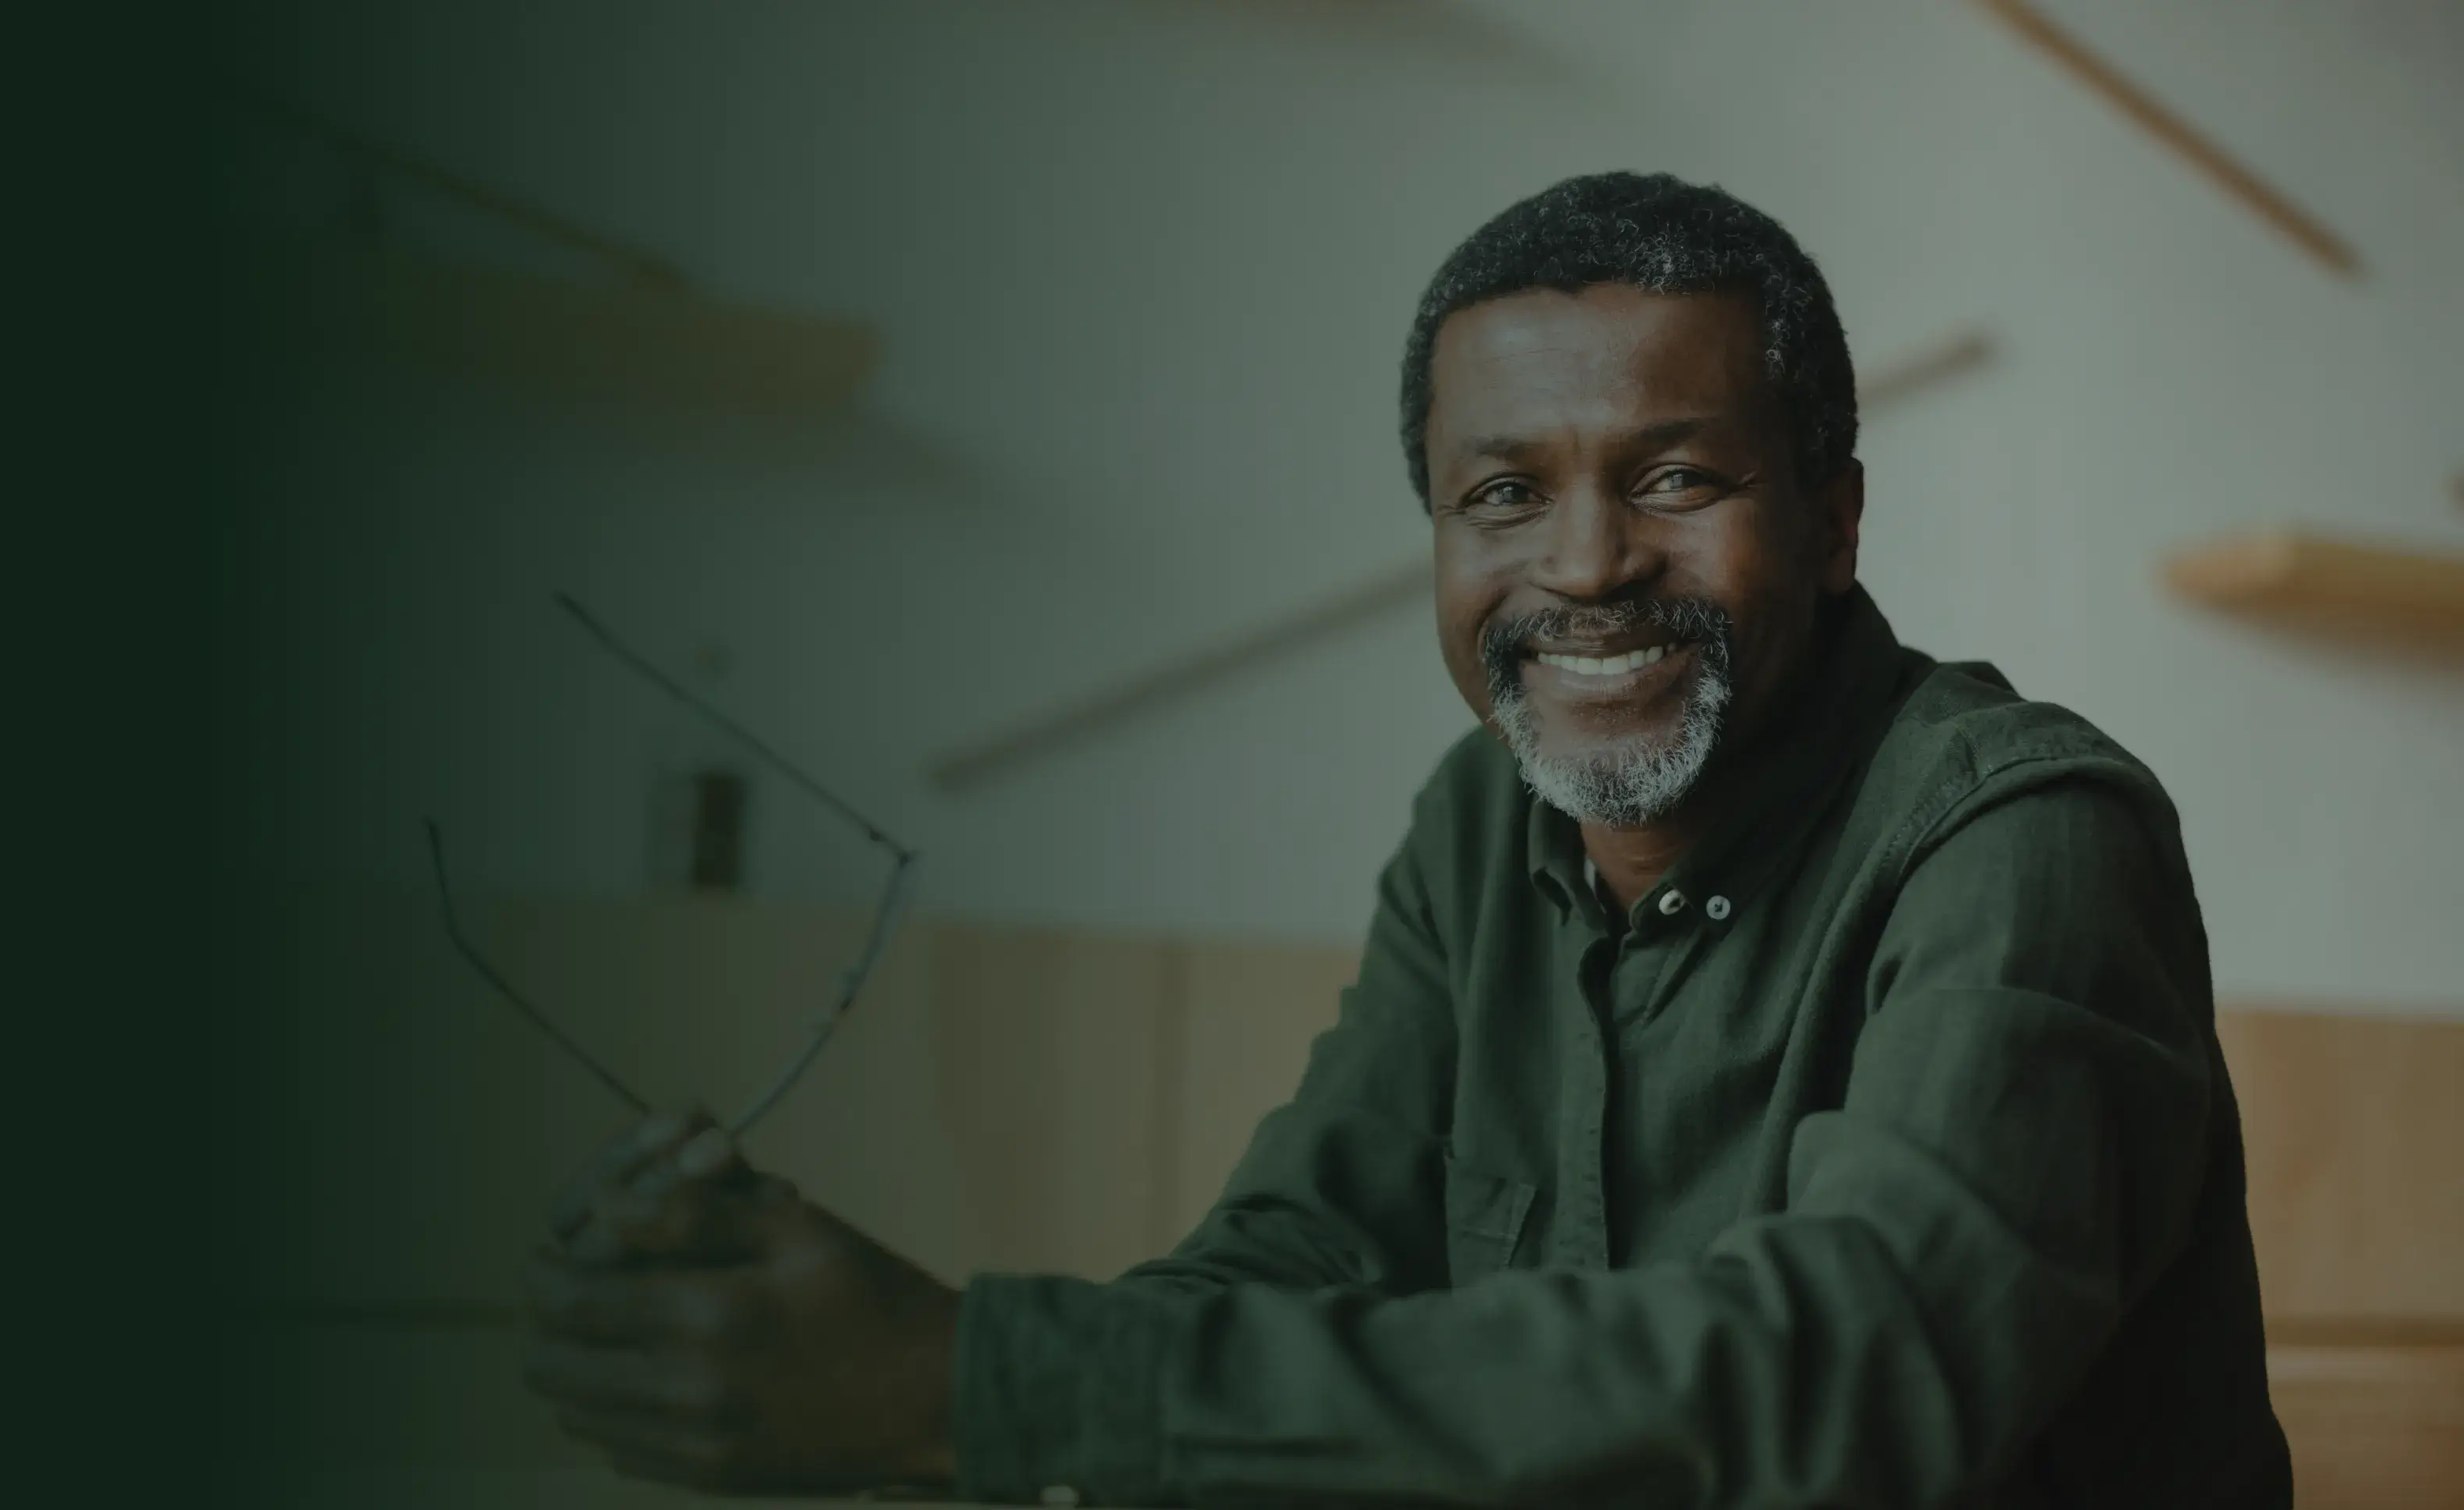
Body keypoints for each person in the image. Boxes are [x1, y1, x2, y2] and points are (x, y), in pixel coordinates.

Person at [518, 171, 2292, 1508]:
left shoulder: (2025, 835)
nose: (1585, 567)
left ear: (1832, 525)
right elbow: (1295, 1257)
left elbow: (1857, 1372)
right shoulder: (1482, 820)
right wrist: (840, 1343)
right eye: (1503, 494)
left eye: (1676, 477)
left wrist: (973, 1382)